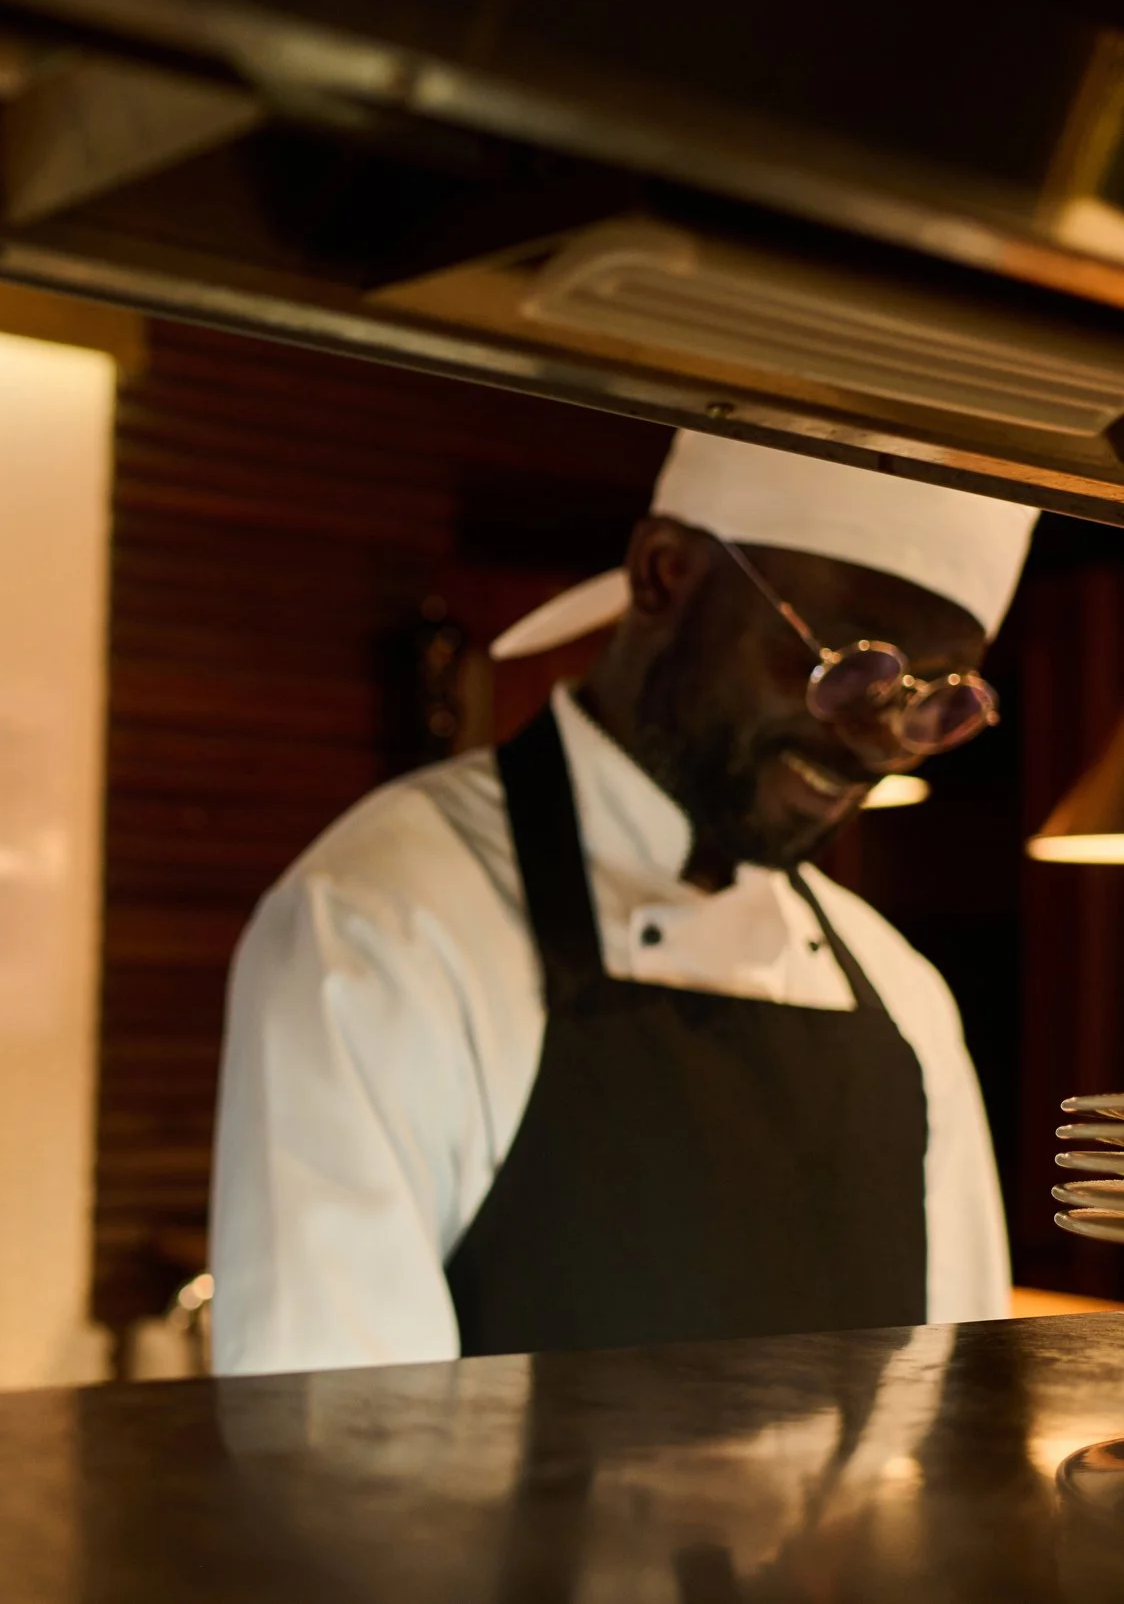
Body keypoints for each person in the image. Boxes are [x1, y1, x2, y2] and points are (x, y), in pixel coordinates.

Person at [210, 431, 1034, 1374]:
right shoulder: (380, 924)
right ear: (665, 573)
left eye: (937, 703)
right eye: (851, 671)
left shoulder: (906, 1001)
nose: (878, 745)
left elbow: (950, 1420)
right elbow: (331, 1463)